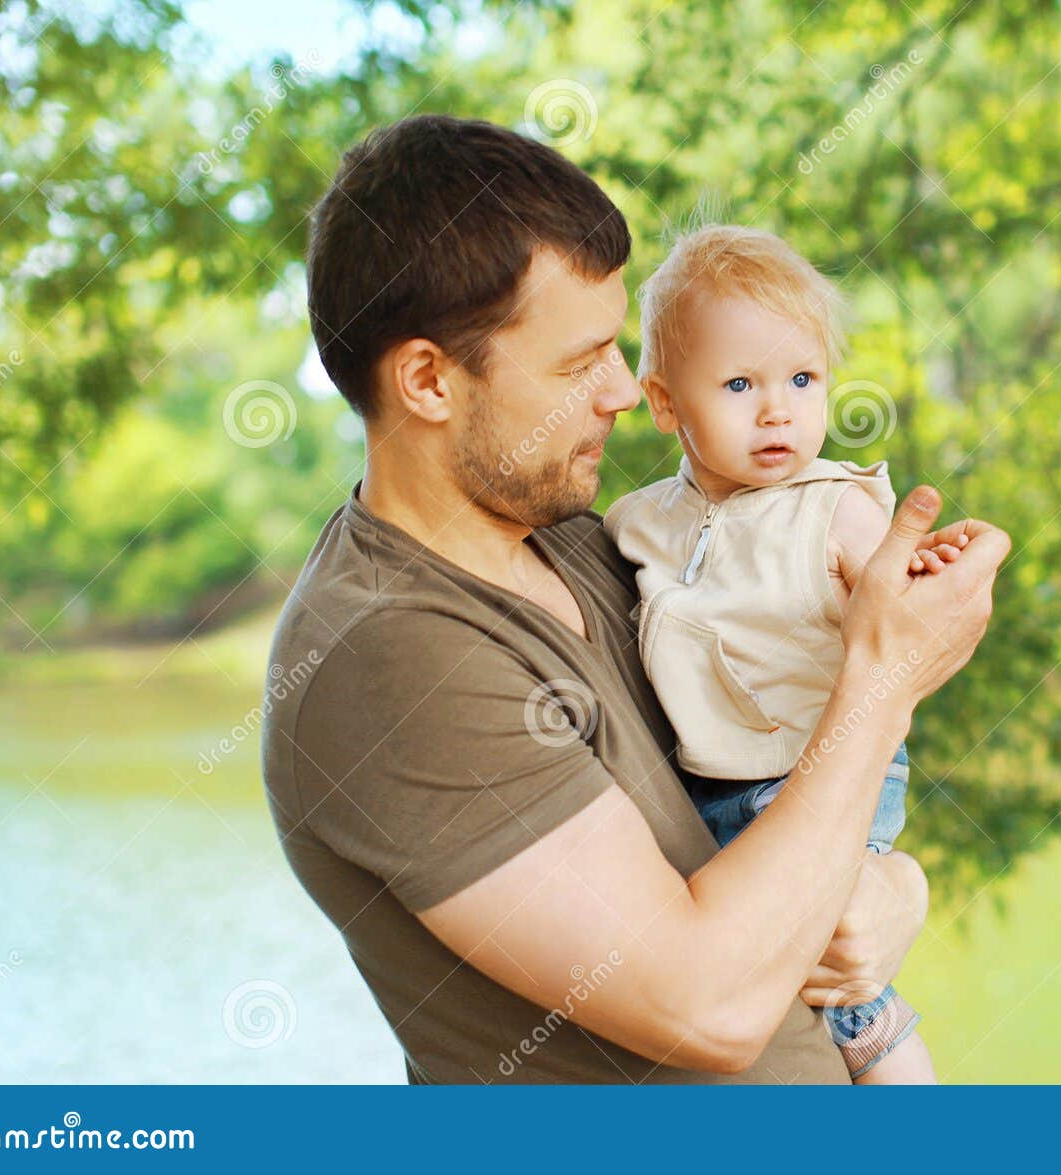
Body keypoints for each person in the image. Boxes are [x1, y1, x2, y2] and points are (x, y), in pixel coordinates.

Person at [260, 113, 1010, 1083]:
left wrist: (894, 885)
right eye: (579, 363)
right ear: (428, 381)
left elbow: (772, 801)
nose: (622, 392)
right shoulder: (386, 654)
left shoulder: (586, 543)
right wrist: (887, 679)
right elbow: (709, 1003)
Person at [603, 224, 972, 1081]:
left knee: (842, 984)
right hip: (710, 787)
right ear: (665, 404)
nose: (778, 410)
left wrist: (926, 572)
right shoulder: (640, 523)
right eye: (739, 384)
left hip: (821, 775)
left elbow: (904, 623)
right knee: (744, 969)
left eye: (802, 379)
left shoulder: (835, 510)